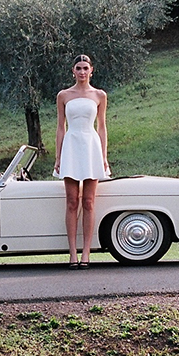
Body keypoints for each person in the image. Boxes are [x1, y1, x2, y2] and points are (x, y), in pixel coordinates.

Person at [53, 54, 110, 269]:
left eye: (86, 68)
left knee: (88, 201)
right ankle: (72, 253)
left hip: (91, 147)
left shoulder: (99, 95)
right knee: (71, 201)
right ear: (73, 71)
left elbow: (102, 127)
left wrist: (103, 157)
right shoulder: (64, 95)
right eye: (79, 68)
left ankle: (87, 252)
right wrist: (58, 157)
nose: (82, 72)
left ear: (91, 70)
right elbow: (61, 127)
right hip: (71, 146)